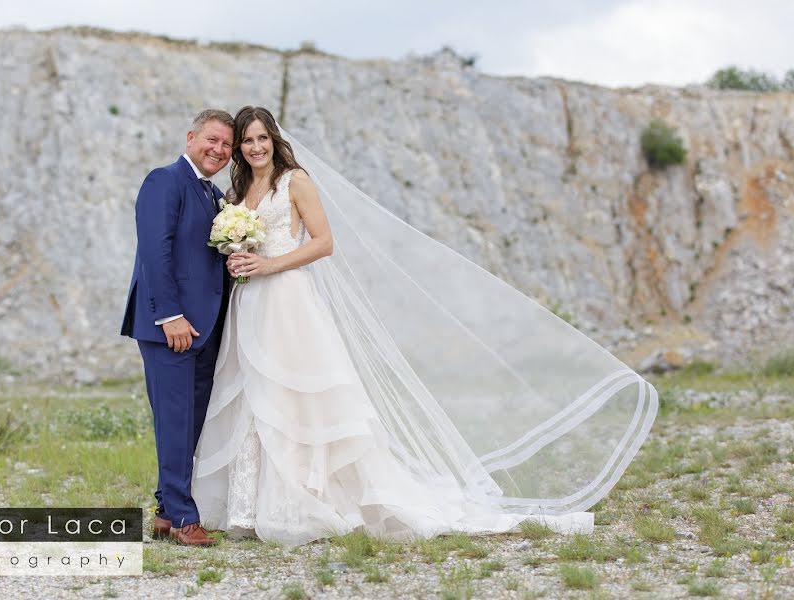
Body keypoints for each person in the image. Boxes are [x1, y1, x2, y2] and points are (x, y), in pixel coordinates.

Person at [191, 106, 658, 546]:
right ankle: (248, 509)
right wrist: (238, 259)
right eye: (247, 141)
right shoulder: (236, 195)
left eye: (262, 138)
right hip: (250, 305)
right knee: (255, 394)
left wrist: (269, 265)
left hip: (289, 300)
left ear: (275, 140)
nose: (255, 147)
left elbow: (325, 243)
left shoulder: (295, 182)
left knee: (297, 395)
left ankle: (305, 503)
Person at [121, 109, 234, 546]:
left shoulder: (214, 195)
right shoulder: (164, 180)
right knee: (173, 421)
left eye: (226, 145)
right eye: (212, 139)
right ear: (190, 137)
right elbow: (155, 251)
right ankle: (186, 519)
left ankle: (167, 512)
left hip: (206, 328)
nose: (218, 150)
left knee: (190, 423)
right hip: (171, 326)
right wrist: (169, 315)